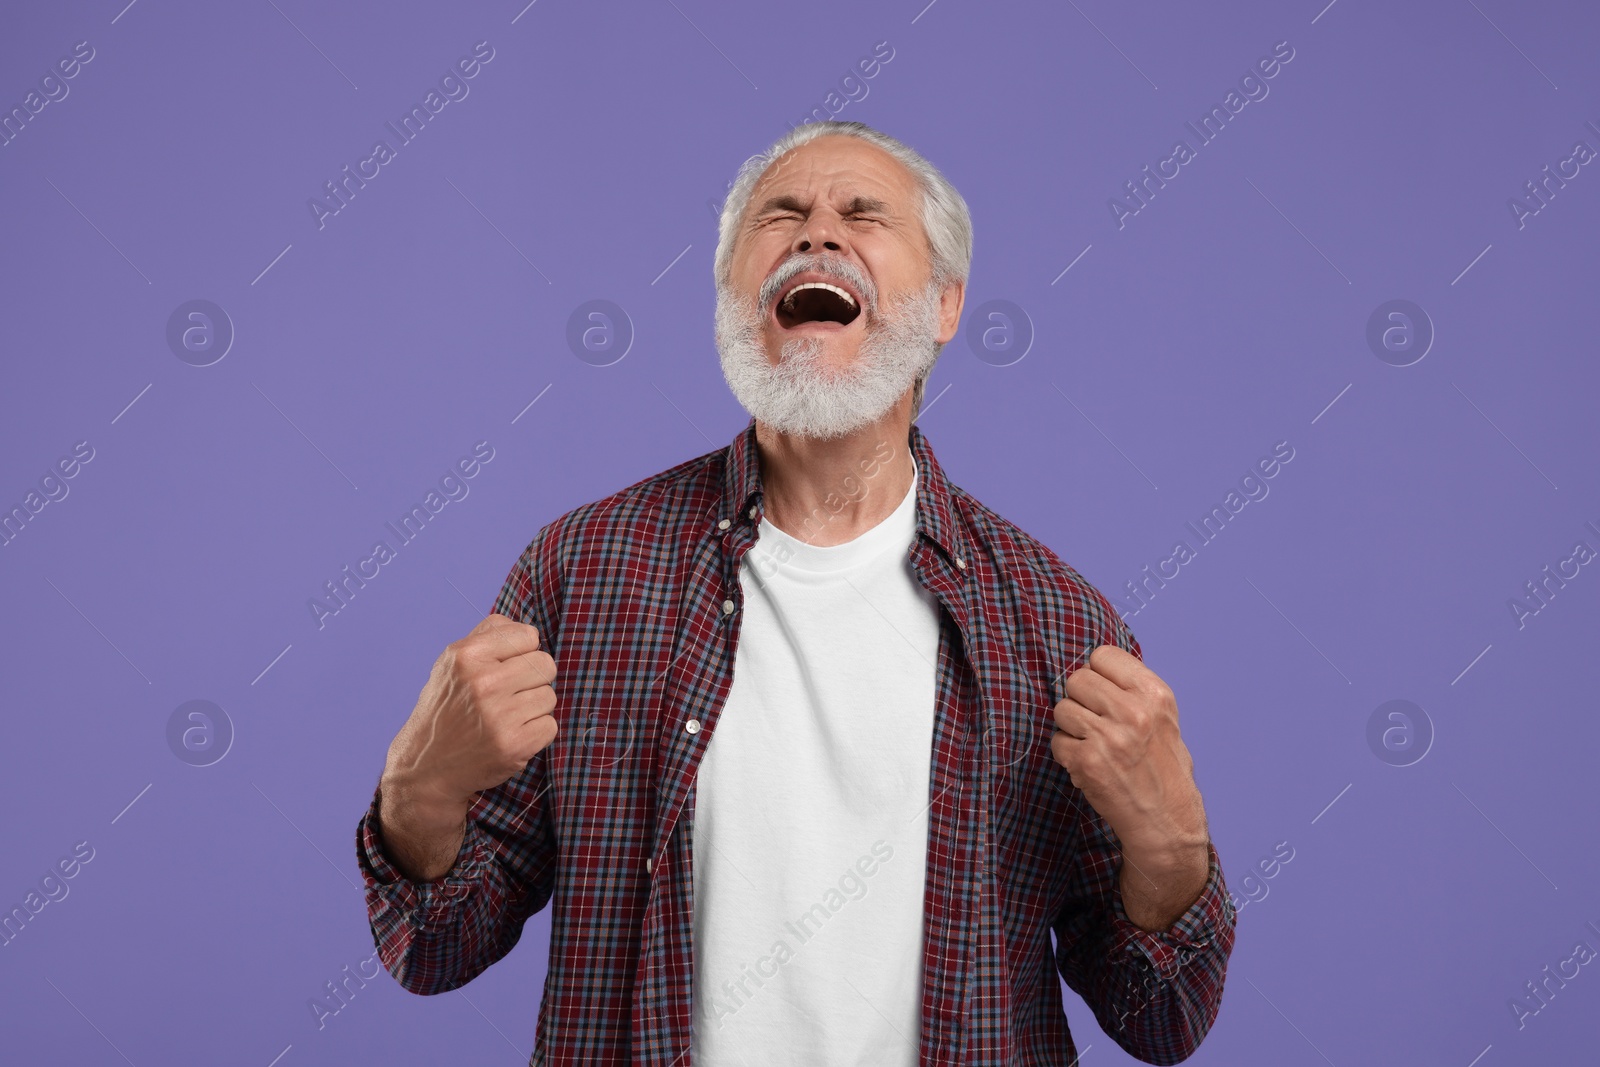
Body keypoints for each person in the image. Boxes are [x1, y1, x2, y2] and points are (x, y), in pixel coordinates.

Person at [356, 119, 1236, 1066]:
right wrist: (421, 786)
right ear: (731, 296)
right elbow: (434, 946)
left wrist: (1174, 845)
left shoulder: (1056, 624)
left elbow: (1161, 1019)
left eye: (863, 214)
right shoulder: (584, 571)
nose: (817, 233)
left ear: (945, 304)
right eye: (782, 215)